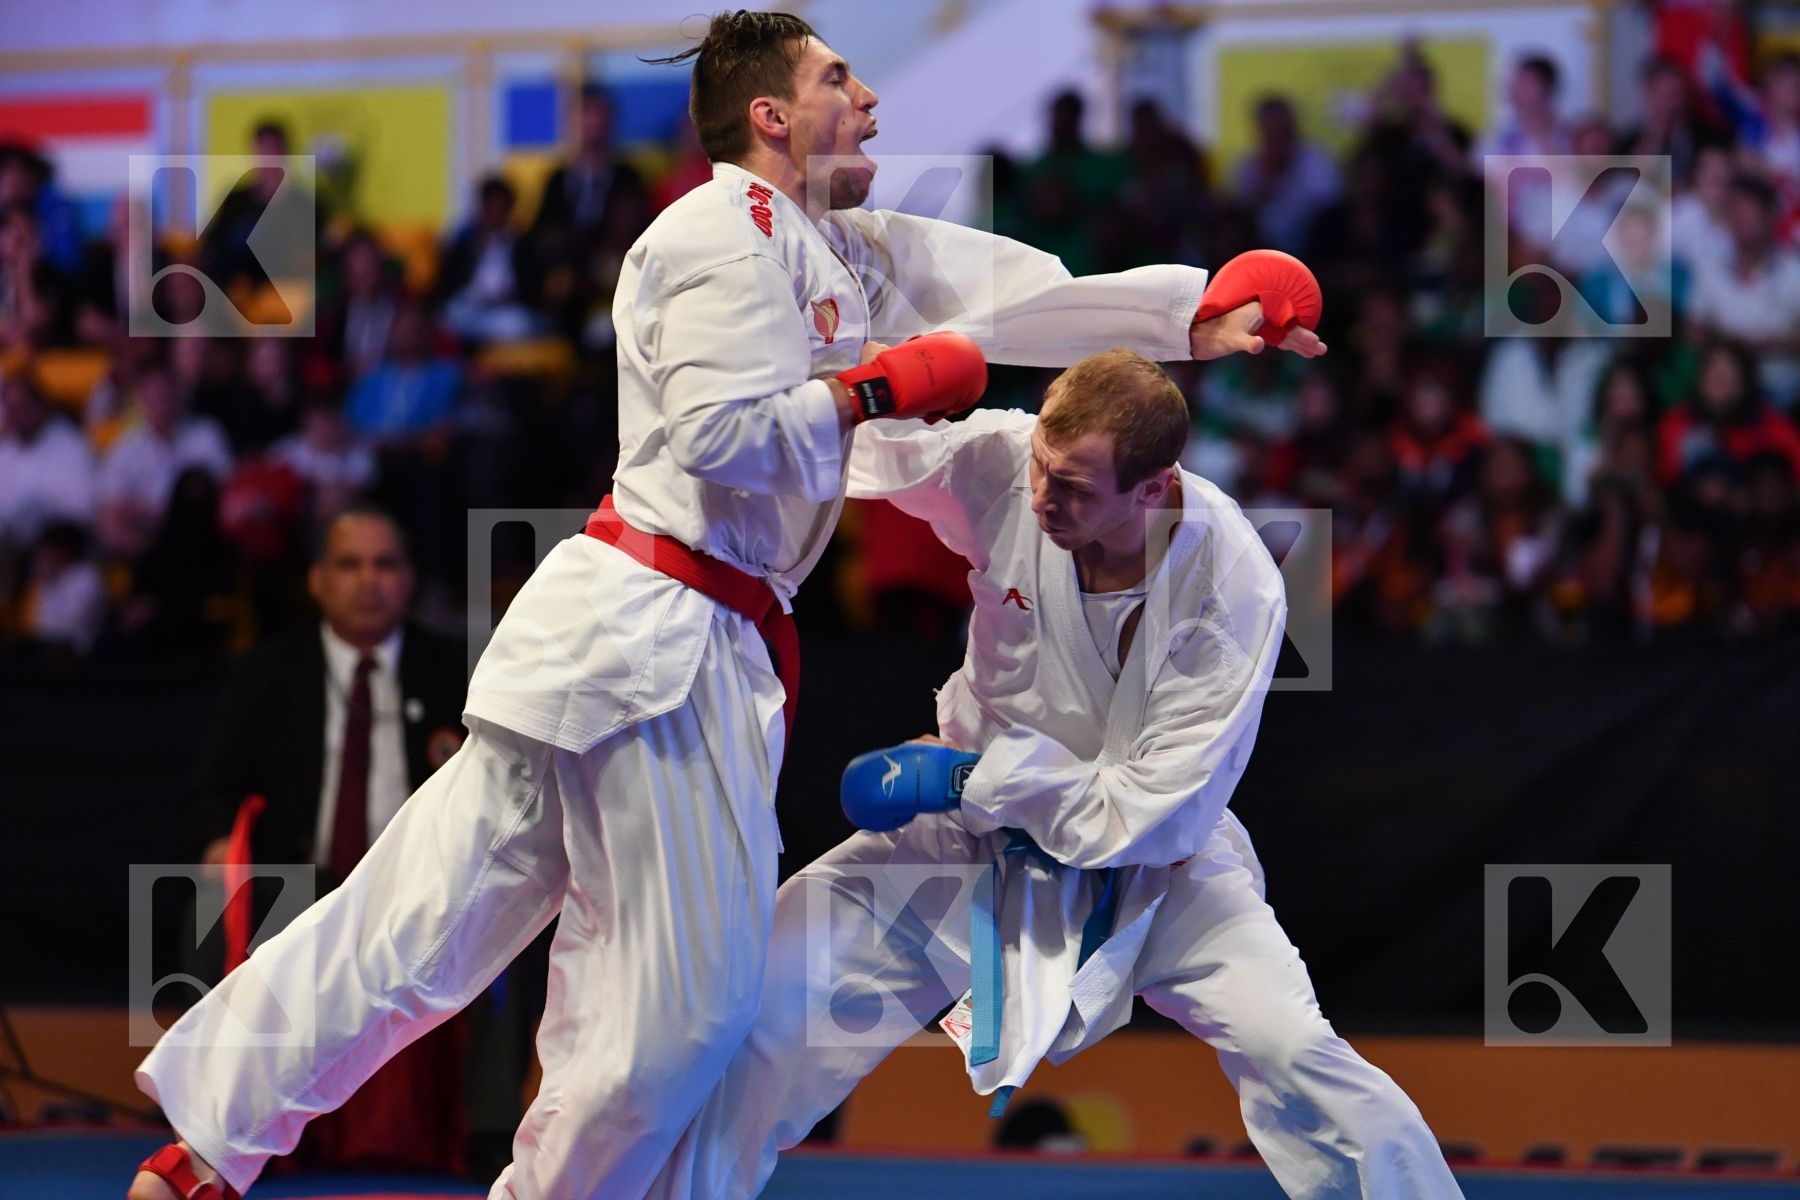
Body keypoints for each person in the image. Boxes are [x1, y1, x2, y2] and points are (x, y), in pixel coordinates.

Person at [129, 12, 1321, 1200]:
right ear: (770, 115)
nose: (870, 101)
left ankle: (201, 1156)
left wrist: (1188, 317)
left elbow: (1004, 298)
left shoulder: (826, 243)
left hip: (629, 632)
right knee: (682, 1017)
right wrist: (877, 387)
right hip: (666, 632)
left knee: (421, 918)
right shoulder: (716, 232)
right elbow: (719, 437)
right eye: (838, 80)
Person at [654, 350, 1457, 1199]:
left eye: (1074, 486)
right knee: (764, 1007)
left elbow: (1147, 815)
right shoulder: (1008, 462)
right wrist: (845, 391)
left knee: (1294, 1051)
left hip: (1156, 871)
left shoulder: (1233, 592)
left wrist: (966, 777)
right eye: (1042, 463)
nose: (1043, 496)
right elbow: (843, 451)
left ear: (1153, 489)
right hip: (968, 842)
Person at [189, 504, 474, 1175]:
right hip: (296, 885)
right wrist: (213, 846)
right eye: (350, 564)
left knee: (514, 926)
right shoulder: (267, 671)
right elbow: (212, 787)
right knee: (200, 907)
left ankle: (483, 1130)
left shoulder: (456, 669)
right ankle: (220, 1132)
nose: (368, 581)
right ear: (318, 580)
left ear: (410, 580)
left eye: (385, 564)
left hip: (421, 887)